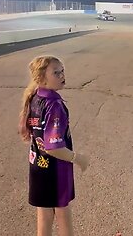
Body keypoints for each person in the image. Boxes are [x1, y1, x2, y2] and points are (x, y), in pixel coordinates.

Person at [18, 56, 89, 236]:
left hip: (38, 166)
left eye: (62, 70)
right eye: (56, 73)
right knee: (63, 213)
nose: (62, 75)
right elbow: (53, 146)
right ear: (42, 78)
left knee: (44, 214)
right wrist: (78, 158)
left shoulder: (35, 96)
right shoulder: (54, 104)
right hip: (55, 170)